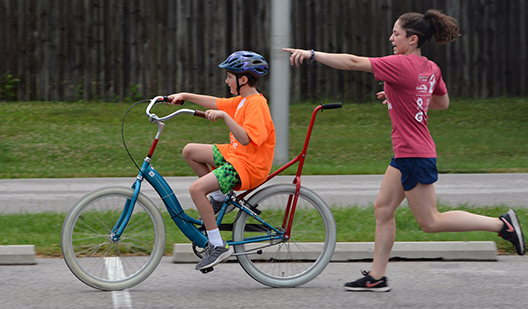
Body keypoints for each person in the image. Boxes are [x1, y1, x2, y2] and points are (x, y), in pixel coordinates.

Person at [284, 9, 525, 292]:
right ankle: (377, 277)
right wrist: (399, 95)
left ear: (412, 39)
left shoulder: (400, 64)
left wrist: (312, 54)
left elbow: (351, 62)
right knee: (383, 209)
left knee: (430, 221)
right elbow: (441, 103)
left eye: (396, 34)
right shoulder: (430, 67)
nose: (391, 38)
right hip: (408, 152)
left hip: (414, 153)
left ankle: (502, 225)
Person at [169, 51, 275, 271]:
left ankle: (217, 245)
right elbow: (215, 102)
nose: (226, 81)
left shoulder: (256, 105)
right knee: (190, 151)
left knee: (197, 190)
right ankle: (218, 197)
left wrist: (225, 118)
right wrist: (185, 95)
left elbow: (246, 139)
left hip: (248, 167)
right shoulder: (242, 101)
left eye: (229, 76)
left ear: (243, 79)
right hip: (236, 156)